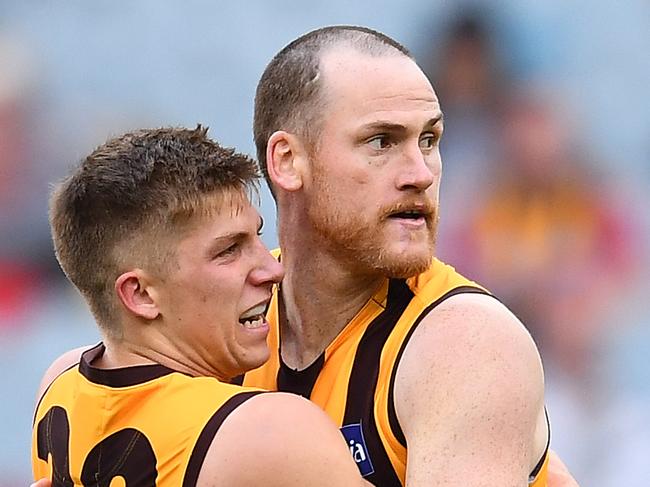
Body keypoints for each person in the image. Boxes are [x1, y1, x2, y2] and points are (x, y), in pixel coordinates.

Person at [241, 25, 577, 486]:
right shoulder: (224, 315)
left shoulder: (467, 342)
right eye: (381, 141)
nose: (420, 174)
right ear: (287, 161)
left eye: (429, 141)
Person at [31, 126, 368, 486]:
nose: (273, 268)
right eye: (228, 251)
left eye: (257, 235)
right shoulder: (268, 431)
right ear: (141, 294)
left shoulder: (60, 383)